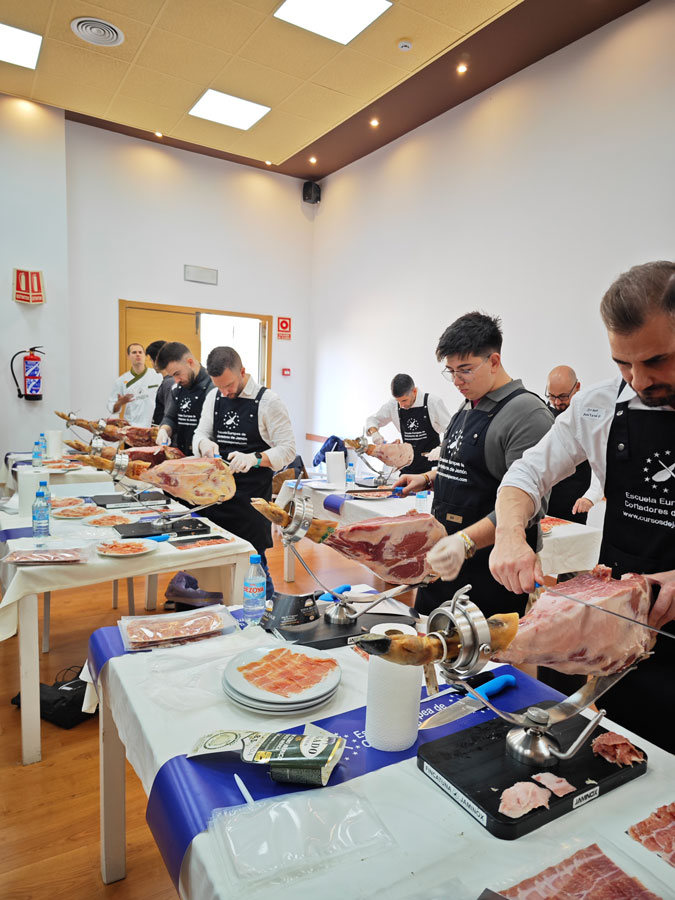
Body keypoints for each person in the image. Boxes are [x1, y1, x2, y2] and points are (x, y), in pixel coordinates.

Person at [490, 261, 675, 751]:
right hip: (614, 622)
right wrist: (509, 535)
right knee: (614, 752)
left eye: (657, 361)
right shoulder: (598, 406)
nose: (637, 380)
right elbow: (526, 474)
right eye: (622, 363)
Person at [395, 312, 554, 616]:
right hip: (445, 557)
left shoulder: (528, 415)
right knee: (429, 644)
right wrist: (429, 477)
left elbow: (525, 504)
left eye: (465, 370)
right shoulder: (470, 402)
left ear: (494, 361)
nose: (456, 381)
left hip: (489, 571)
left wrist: (464, 542)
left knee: (478, 658)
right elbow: (464, 464)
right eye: (451, 371)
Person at [193, 346, 296, 599]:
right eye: (220, 387)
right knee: (215, 564)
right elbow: (199, 434)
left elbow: (289, 450)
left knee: (254, 566)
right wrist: (204, 445)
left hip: (251, 502)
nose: (225, 393)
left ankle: (265, 612)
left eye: (229, 385)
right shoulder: (214, 397)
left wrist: (256, 458)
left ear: (243, 372)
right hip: (216, 499)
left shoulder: (268, 402)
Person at [545, 365, 604, 524]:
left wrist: (591, 496)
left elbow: (600, 459)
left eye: (563, 397)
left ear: (577, 387)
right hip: (546, 497)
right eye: (552, 396)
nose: (557, 402)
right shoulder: (543, 414)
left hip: (574, 500)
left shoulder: (591, 416)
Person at [365, 374, 450, 474]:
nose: (402, 405)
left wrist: (441, 448)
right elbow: (372, 420)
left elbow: (451, 431)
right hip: (407, 468)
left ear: (414, 391)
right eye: (398, 401)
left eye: (404, 400)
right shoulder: (393, 405)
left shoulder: (433, 402)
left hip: (431, 468)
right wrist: (374, 433)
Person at [154, 342, 213, 456]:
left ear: (190, 362)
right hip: (181, 453)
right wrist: (164, 430)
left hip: (204, 457)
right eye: (173, 376)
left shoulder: (213, 388)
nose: (176, 380)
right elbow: (171, 417)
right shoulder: (177, 388)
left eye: (177, 374)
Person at [106, 342, 161, 427]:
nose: (138, 355)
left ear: (145, 355)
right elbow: (112, 409)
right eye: (134, 352)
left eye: (140, 352)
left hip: (153, 426)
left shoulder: (157, 375)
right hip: (131, 427)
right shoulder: (121, 381)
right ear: (128, 356)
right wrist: (119, 403)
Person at [145, 340, 174, 426]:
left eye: (151, 360)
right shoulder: (168, 381)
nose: (151, 364)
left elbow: (170, 415)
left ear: (157, 360)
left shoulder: (169, 383)